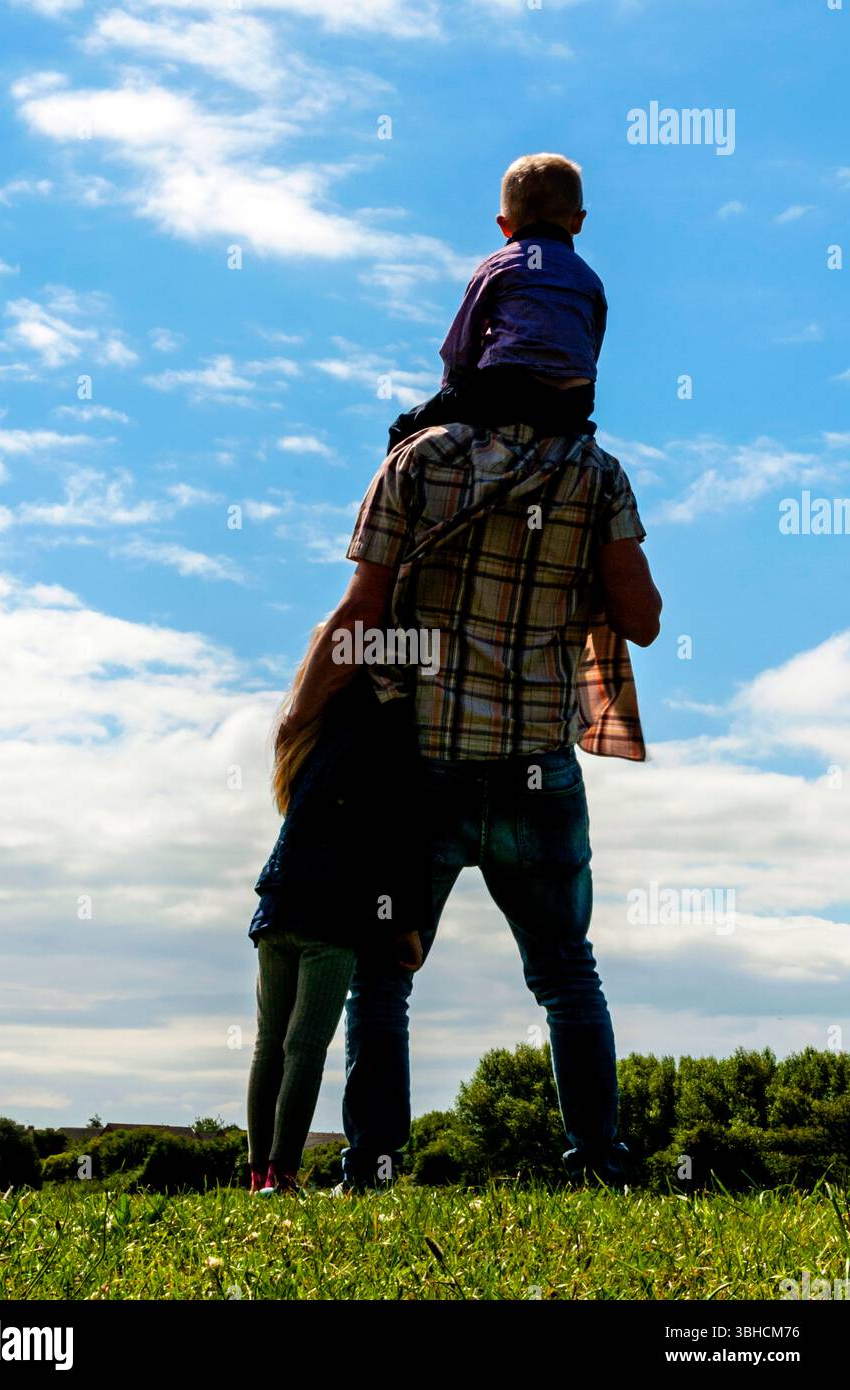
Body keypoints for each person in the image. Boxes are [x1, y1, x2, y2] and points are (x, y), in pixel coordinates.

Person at [276, 433, 662, 1191]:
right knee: (566, 974)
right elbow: (642, 621)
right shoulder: (596, 472)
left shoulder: (417, 461)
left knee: (382, 976)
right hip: (539, 772)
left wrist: (297, 720)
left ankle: (373, 1170)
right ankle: (597, 1165)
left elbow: (359, 613)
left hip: (422, 770)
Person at [245, 624, 429, 1195]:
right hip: (333, 913)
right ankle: (284, 1173)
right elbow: (395, 837)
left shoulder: (306, 726)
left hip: (278, 902)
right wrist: (405, 922)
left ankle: (258, 1174)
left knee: (269, 1044)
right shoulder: (388, 725)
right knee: (304, 1047)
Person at [387, 152, 606, 452]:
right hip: (572, 402)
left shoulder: (499, 264)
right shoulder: (589, 278)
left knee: (403, 428)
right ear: (578, 221)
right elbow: (592, 345)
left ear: (505, 225)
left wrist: (454, 392)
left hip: (505, 392)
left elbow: (460, 345)